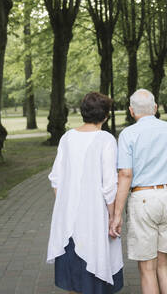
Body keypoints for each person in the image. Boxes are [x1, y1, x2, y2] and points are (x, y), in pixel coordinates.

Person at [110, 89, 167, 294]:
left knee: (147, 268)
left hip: (144, 199)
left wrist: (117, 214)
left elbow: (125, 175)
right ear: (155, 108)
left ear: (131, 111)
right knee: (163, 264)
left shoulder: (128, 134)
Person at [47, 92, 123, 294]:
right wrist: (113, 216)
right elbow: (109, 185)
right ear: (106, 116)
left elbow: (56, 178)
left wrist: (67, 203)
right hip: (94, 219)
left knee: (73, 278)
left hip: (67, 220)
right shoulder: (106, 139)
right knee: (93, 276)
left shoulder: (67, 137)